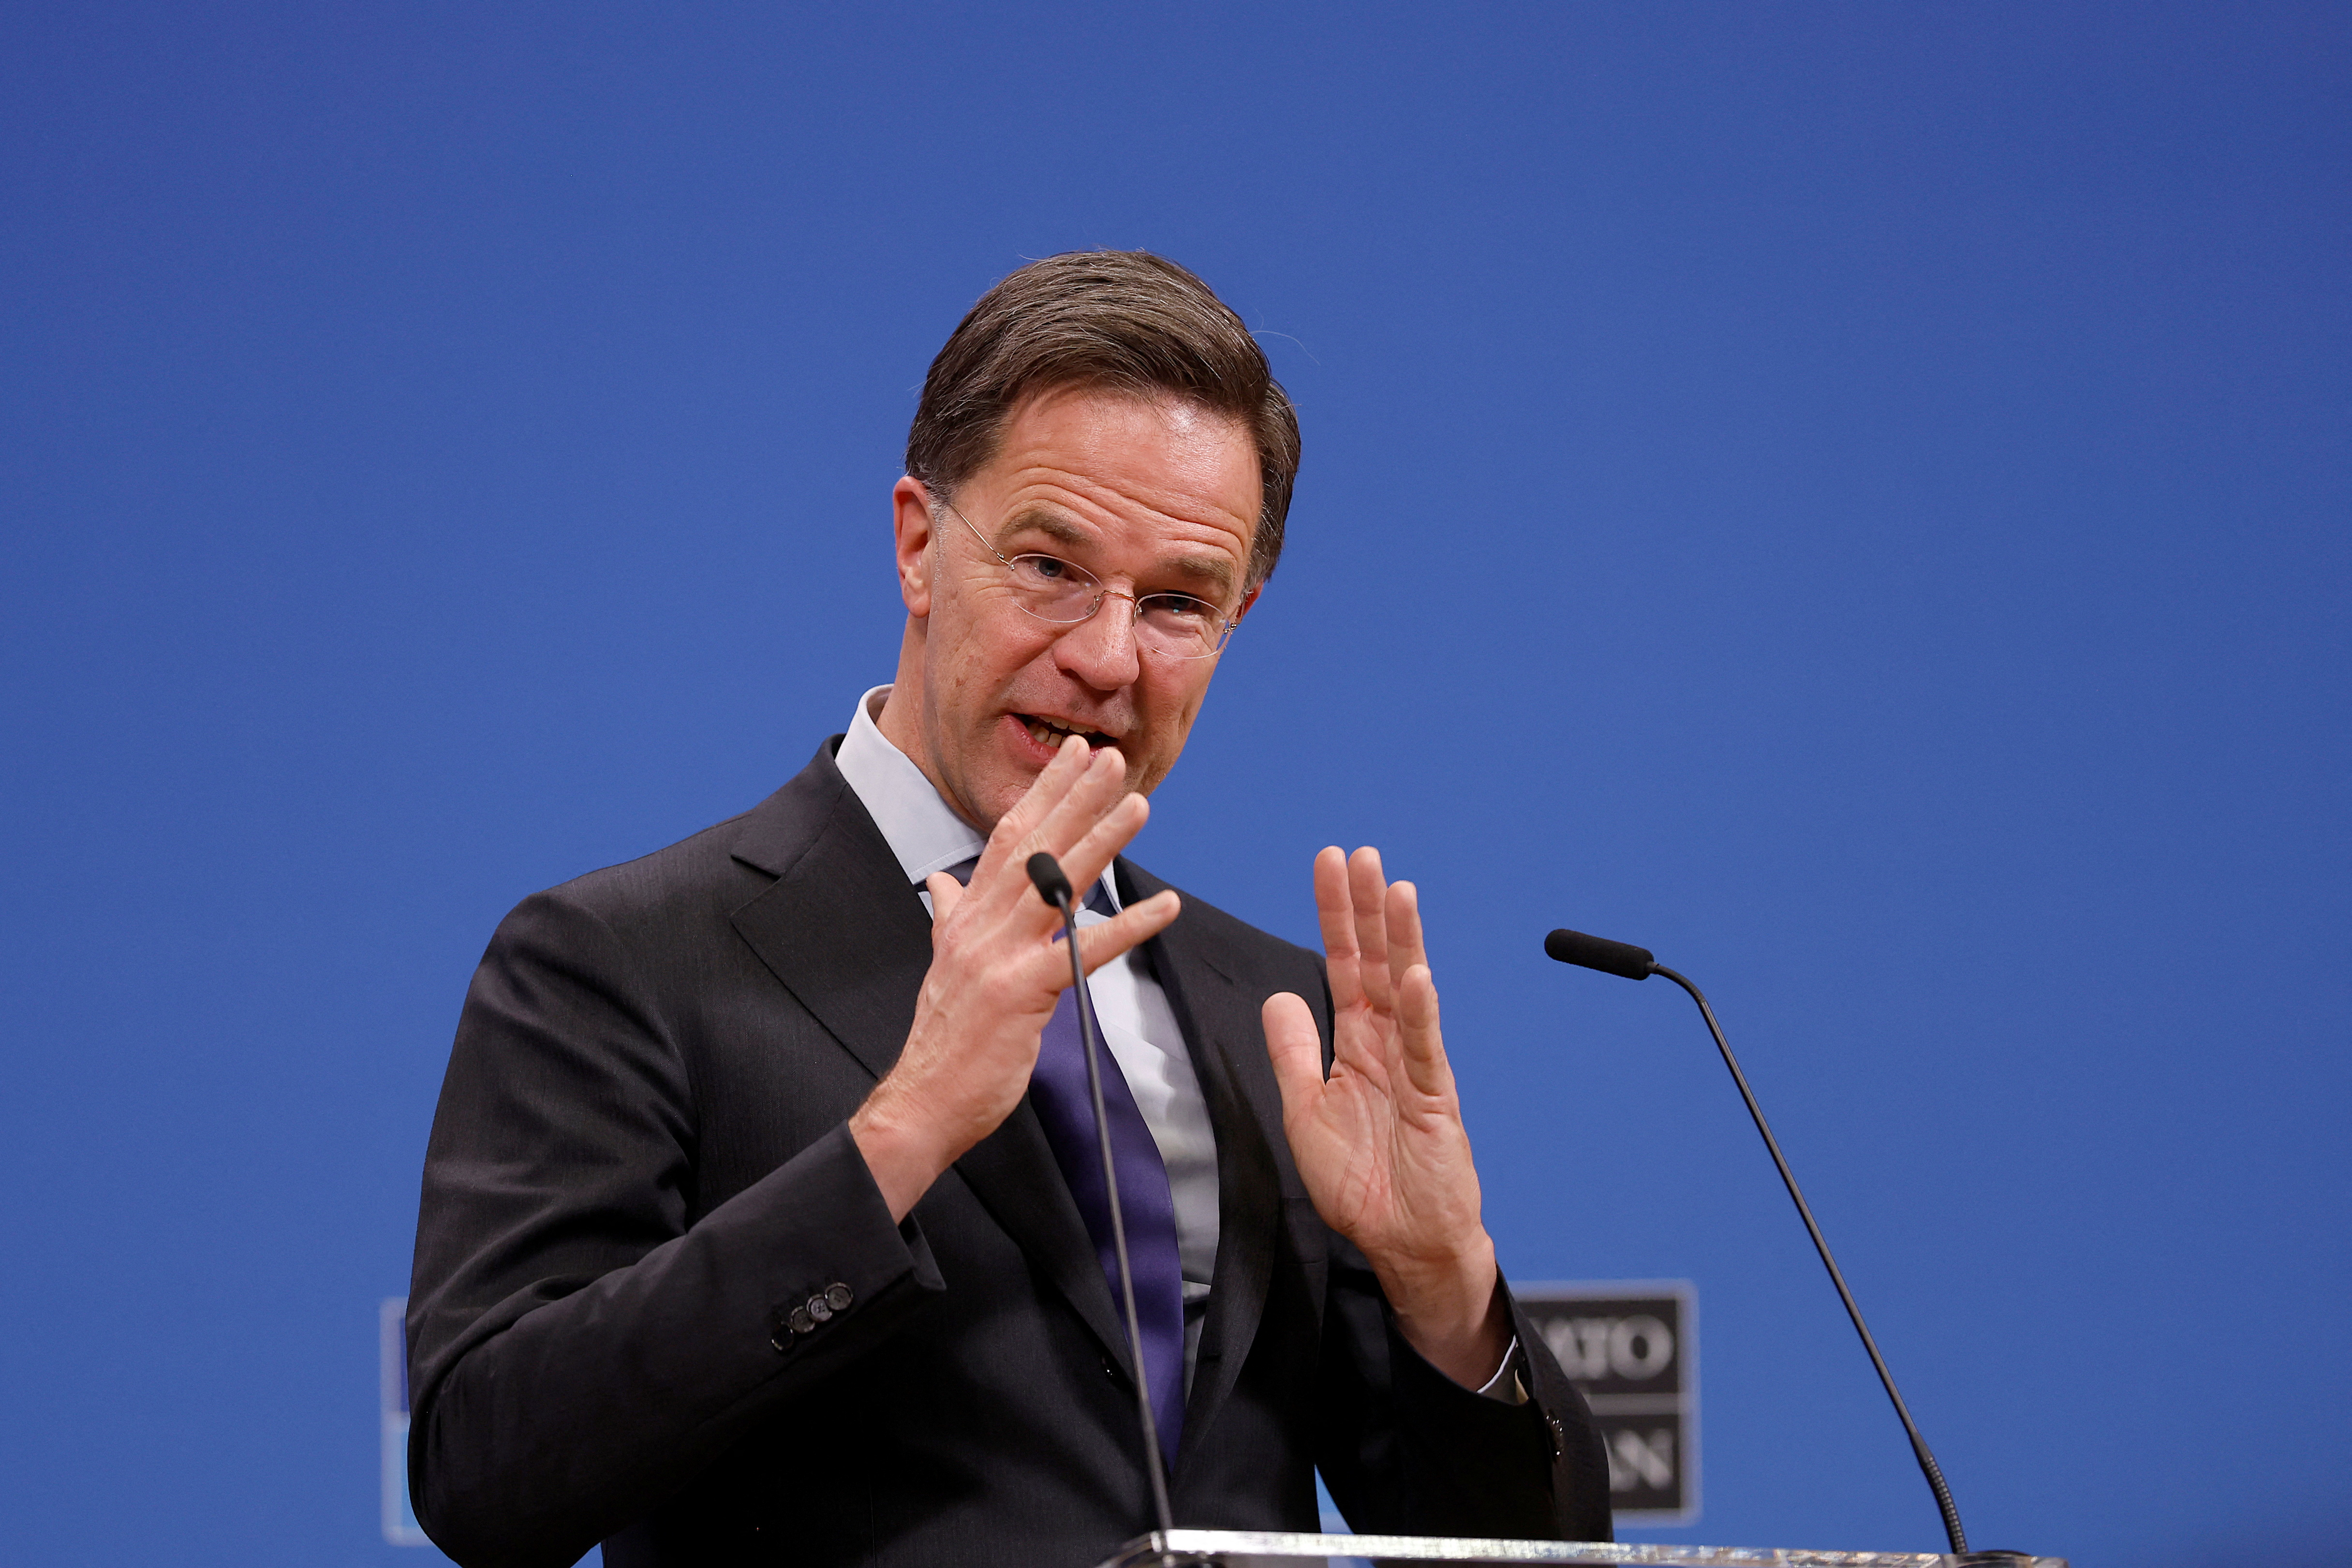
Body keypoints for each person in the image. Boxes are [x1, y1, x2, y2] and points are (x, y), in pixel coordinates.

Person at [407, 251, 1612, 1568]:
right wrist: (904, 1127)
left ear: (1238, 615)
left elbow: (1524, 1553)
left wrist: (1447, 1291)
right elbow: (485, 1469)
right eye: (1050, 565)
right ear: (921, 544)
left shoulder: (1274, 1012)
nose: (1106, 656)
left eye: (1175, 603)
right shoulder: (627, 959)